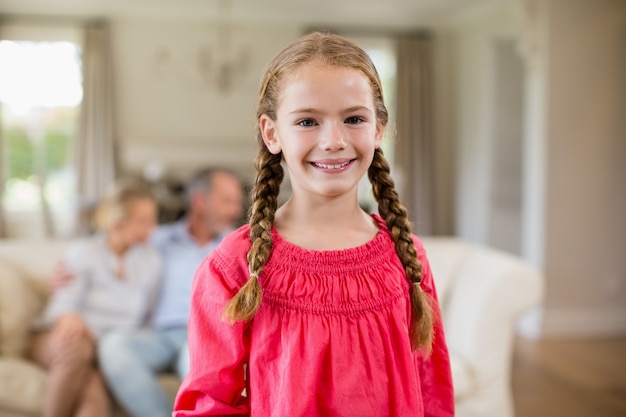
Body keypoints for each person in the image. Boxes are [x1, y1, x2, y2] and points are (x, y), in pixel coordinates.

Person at [173, 32, 455, 417]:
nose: (334, 140)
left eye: (354, 118)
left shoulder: (408, 258)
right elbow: (209, 405)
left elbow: (432, 394)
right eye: (307, 121)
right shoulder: (235, 266)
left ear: (378, 130)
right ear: (272, 133)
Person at [96, 167, 244, 417]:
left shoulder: (238, 247)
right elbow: (112, 246)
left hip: (204, 333)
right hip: (157, 334)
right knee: (113, 346)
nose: (237, 210)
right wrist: (71, 272)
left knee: (199, 364)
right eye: (227, 201)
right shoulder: (158, 239)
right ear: (199, 202)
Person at [29, 181, 161, 417]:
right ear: (118, 225)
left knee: (93, 405)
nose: (153, 227)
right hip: (59, 339)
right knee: (78, 347)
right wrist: (69, 315)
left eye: (153, 219)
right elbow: (65, 303)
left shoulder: (152, 261)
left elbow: (148, 318)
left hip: (103, 350)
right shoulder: (85, 251)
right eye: (143, 221)